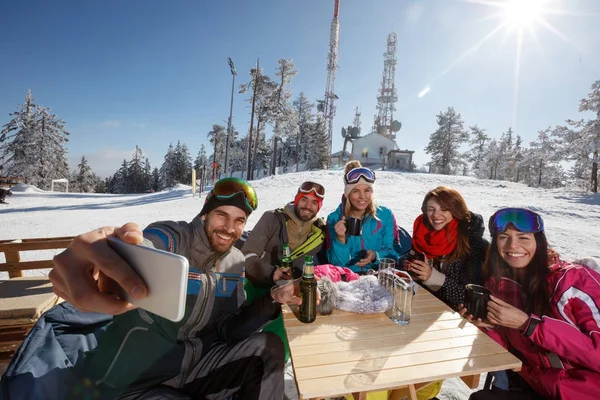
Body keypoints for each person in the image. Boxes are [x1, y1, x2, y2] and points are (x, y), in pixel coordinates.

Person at [1, 178, 299, 400]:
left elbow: (229, 329)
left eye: (239, 221)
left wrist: (274, 298)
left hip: (194, 367)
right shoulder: (170, 240)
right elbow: (142, 246)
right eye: (222, 215)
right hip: (134, 379)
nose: (229, 228)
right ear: (206, 213)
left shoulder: (235, 263)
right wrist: (107, 256)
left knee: (269, 346)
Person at [461, 208, 600, 400]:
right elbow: (512, 351)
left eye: (523, 237)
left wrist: (529, 325)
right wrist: (491, 327)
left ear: (539, 242)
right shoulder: (500, 287)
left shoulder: (574, 282)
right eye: (503, 237)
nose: (513, 246)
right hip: (536, 385)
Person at [406, 186, 489, 308]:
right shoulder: (422, 234)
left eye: (444, 209)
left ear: (455, 211)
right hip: (426, 306)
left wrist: (431, 277)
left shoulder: (472, 242)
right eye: (431, 209)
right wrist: (415, 273)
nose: (436, 215)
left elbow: (471, 299)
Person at [242, 181, 327, 285]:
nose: (308, 206)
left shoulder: (320, 232)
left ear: (319, 206)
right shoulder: (272, 219)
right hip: (260, 286)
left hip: (296, 292)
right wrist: (271, 273)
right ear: (296, 200)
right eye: (304, 199)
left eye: (314, 202)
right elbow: (246, 254)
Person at [326, 161, 402, 273]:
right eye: (355, 191)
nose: (362, 197)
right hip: (348, 279)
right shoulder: (334, 218)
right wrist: (340, 239)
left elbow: (395, 254)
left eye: (367, 190)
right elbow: (336, 265)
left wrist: (375, 256)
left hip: (378, 276)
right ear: (347, 194)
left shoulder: (385, 215)